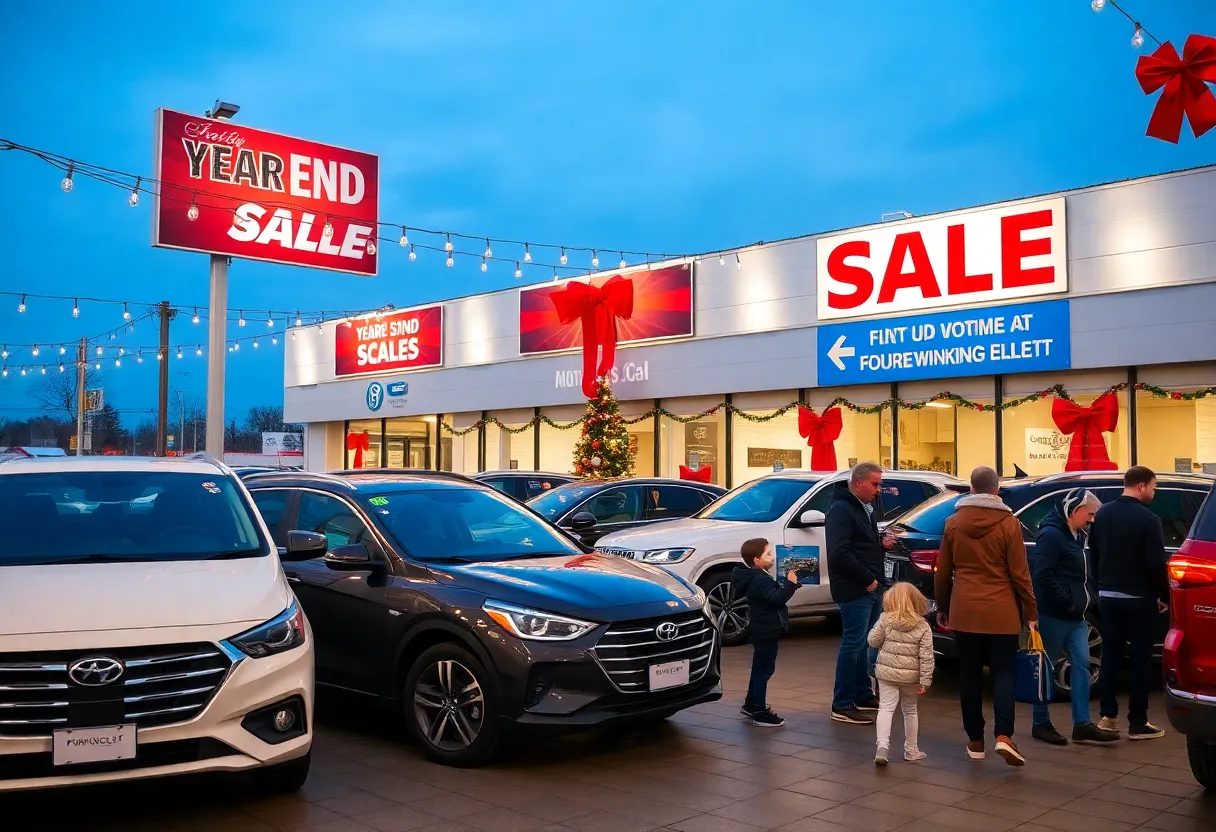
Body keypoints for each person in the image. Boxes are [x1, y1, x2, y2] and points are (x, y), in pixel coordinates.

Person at [936, 466, 1038, 766]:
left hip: (964, 610)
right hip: (1001, 611)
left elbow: (943, 572)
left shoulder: (953, 523)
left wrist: (943, 606)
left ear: (971, 488)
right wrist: (1031, 611)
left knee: (969, 675)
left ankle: (975, 741)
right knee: (1003, 672)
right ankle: (1004, 735)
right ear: (996, 490)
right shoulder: (1009, 523)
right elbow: (1020, 574)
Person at [1029, 489, 1120, 746]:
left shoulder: (1077, 535)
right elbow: (1043, 575)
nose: (1092, 519)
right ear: (1074, 510)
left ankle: (1082, 723)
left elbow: (1080, 574)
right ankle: (1040, 722)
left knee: (1082, 665)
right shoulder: (1051, 536)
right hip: (1055, 615)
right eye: (1089, 514)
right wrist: (1066, 602)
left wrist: (1088, 599)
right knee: (1046, 668)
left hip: (1076, 616)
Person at [1090, 466, 1169, 740]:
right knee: (1140, 660)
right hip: (1139, 600)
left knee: (1111, 656)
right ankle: (1138, 722)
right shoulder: (1149, 520)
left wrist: (1100, 586)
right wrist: (1163, 595)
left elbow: (1093, 553)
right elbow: (1156, 563)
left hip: (1108, 598)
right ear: (1142, 486)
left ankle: (1107, 718)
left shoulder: (1102, 514)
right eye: (1153, 488)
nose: (1154, 493)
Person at [827, 462, 896, 725]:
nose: (879, 490)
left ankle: (862, 694)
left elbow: (860, 545)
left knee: (864, 644)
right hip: (855, 588)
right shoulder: (841, 510)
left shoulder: (863, 507)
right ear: (858, 483)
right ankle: (842, 703)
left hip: (870, 586)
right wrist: (868, 580)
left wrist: (881, 545)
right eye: (875, 484)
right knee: (852, 644)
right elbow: (840, 553)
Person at [732, 538, 799, 727]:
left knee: (759, 668)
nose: (772, 557)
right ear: (756, 560)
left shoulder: (757, 575)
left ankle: (751, 704)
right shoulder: (760, 578)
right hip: (766, 629)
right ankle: (760, 712)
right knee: (764, 670)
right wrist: (791, 585)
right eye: (768, 554)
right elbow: (776, 599)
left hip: (761, 628)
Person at [868, 581, 934, 765]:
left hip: (886, 673)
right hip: (911, 677)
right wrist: (926, 680)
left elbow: (872, 641)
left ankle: (882, 746)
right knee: (910, 711)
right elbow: (927, 656)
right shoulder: (923, 626)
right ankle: (911, 750)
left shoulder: (885, 619)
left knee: (886, 708)